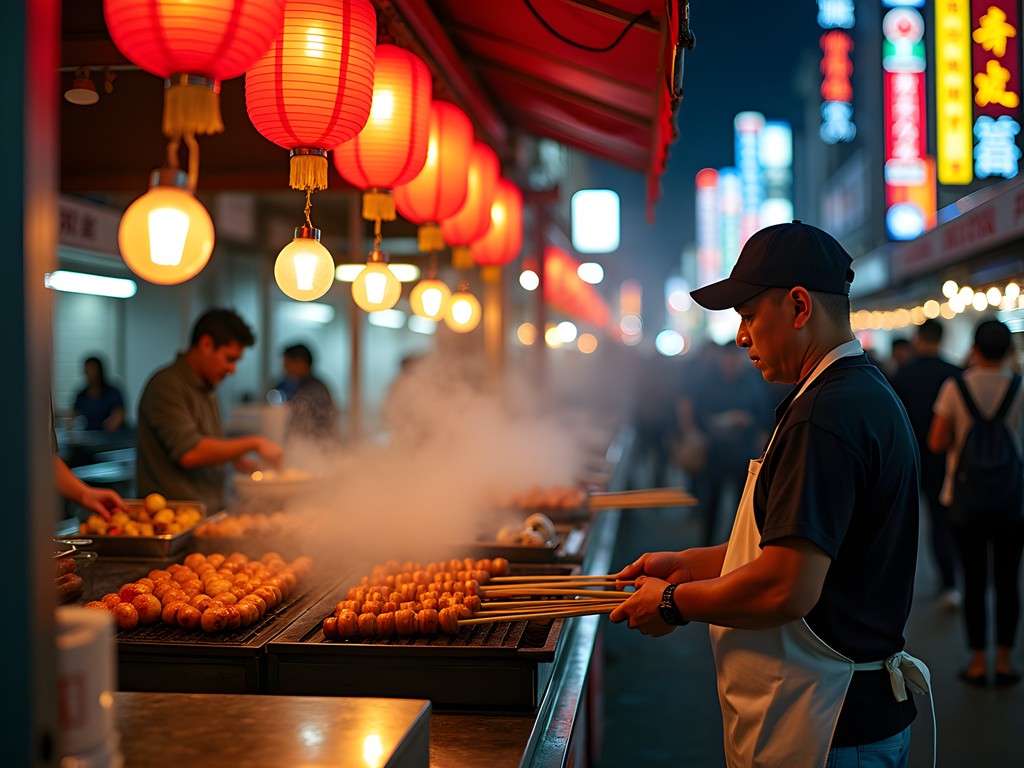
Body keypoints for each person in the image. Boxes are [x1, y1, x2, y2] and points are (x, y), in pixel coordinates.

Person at [610, 221, 930, 768]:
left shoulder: (826, 414)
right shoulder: (852, 392)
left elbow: (788, 586)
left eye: (749, 315)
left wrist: (672, 601)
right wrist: (689, 564)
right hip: (837, 718)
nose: (740, 337)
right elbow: (798, 549)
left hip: (829, 728)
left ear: (800, 307)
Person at [928, 319, 1024, 687]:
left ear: (975, 348)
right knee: (1008, 582)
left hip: (965, 500)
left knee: (974, 578)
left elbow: (937, 443)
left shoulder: (955, 387)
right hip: (1013, 501)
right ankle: (1003, 660)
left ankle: (978, 663)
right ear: (1010, 350)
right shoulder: (1019, 387)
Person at [136, 308, 284, 512]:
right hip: (174, 520)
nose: (233, 370)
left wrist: (236, 459)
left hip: (208, 512)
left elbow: (205, 443)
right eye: (229, 359)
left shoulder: (207, 389)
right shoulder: (167, 385)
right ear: (206, 344)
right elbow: (191, 452)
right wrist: (254, 443)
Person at [891, 319, 963, 609]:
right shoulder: (955, 374)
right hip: (946, 461)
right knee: (942, 523)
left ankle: (896, 588)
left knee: (902, 524)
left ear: (919, 338)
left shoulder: (903, 375)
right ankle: (950, 584)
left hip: (910, 461)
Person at [678, 342, 773, 546]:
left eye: (737, 358)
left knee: (742, 506)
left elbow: (763, 414)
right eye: (729, 357)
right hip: (714, 451)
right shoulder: (707, 380)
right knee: (711, 501)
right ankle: (706, 543)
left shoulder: (752, 380)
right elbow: (693, 408)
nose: (732, 362)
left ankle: (732, 546)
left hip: (743, 452)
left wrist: (749, 423)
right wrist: (699, 428)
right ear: (721, 358)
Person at [272, 343, 339, 443]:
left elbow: (299, 426)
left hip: (316, 449)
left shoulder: (313, 389)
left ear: (299, 362)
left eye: (287, 365)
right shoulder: (304, 385)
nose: (285, 370)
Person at [71, 355, 125, 432]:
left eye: (93, 370)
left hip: (111, 436)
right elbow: (74, 415)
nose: (90, 374)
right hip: (90, 436)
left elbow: (119, 414)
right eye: (87, 370)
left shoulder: (112, 393)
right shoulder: (82, 395)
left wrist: (113, 421)